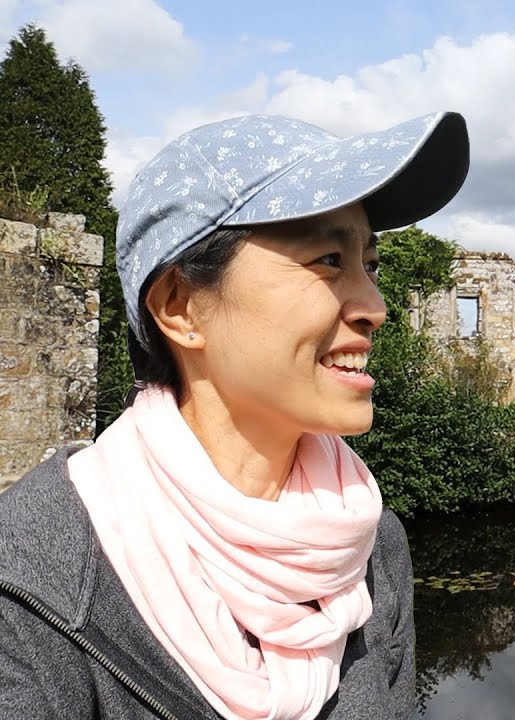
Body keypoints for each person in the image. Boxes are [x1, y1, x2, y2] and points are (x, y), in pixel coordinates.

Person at [0, 110, 470, 719]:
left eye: (370, 265)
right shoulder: (29, 585)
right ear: (180, 308)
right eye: (328, 258)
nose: (374, 306)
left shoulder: (373, 545)